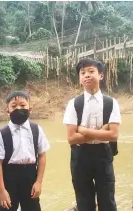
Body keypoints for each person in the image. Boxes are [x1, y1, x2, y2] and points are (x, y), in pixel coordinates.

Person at [63, 58, 121, 211]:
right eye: (83, 73)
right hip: (80, 156)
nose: (86, 75)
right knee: (84, 201)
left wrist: (83, 130)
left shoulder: (111, 103)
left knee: (107, 199)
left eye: (91, 71)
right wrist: (102, 132)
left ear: (100, 75)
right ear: (80, 79)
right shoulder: (74, 104)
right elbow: (71, 138)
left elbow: (114, 134)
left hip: (103, 155)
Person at [0, 91, 50, 211]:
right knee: (6, 207)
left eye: (23, 105)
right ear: (7, 110)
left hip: (29, 177)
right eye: (14, 106)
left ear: (30, 108)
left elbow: (42, 156)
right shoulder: (2, 134)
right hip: (8, 178)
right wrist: (1, 190)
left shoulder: (36, 130)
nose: (18, 108)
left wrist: (38, 182)